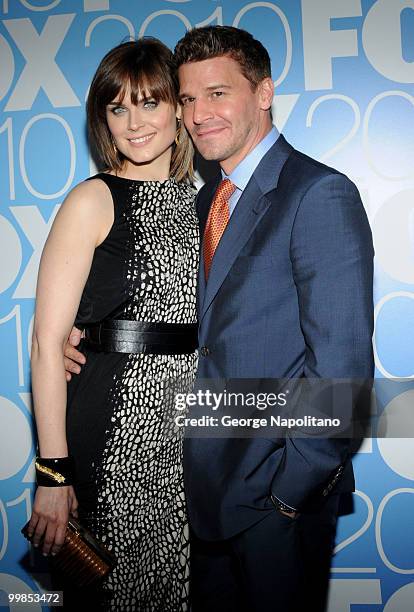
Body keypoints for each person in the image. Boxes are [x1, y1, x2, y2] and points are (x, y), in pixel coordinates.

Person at [65, 26, 374, 612]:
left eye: (218, 93)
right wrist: (97, 339)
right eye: (186, 99)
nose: (199, 113)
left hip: (276, 498)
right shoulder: (204, 200)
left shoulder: (317, 194)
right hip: (198, 495)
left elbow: (343, 373)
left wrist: (287, 494)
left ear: (263, 93)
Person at [27, 38, 198, 611]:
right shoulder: (93, 200)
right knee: (119, 590)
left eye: (149, 103)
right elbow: (49, 343)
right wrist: (53, 474)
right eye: (117, 108)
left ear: (179, 106)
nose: (134, 122)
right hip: (116, 422)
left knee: (175, 589)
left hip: (190, 429)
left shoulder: (205, 203)